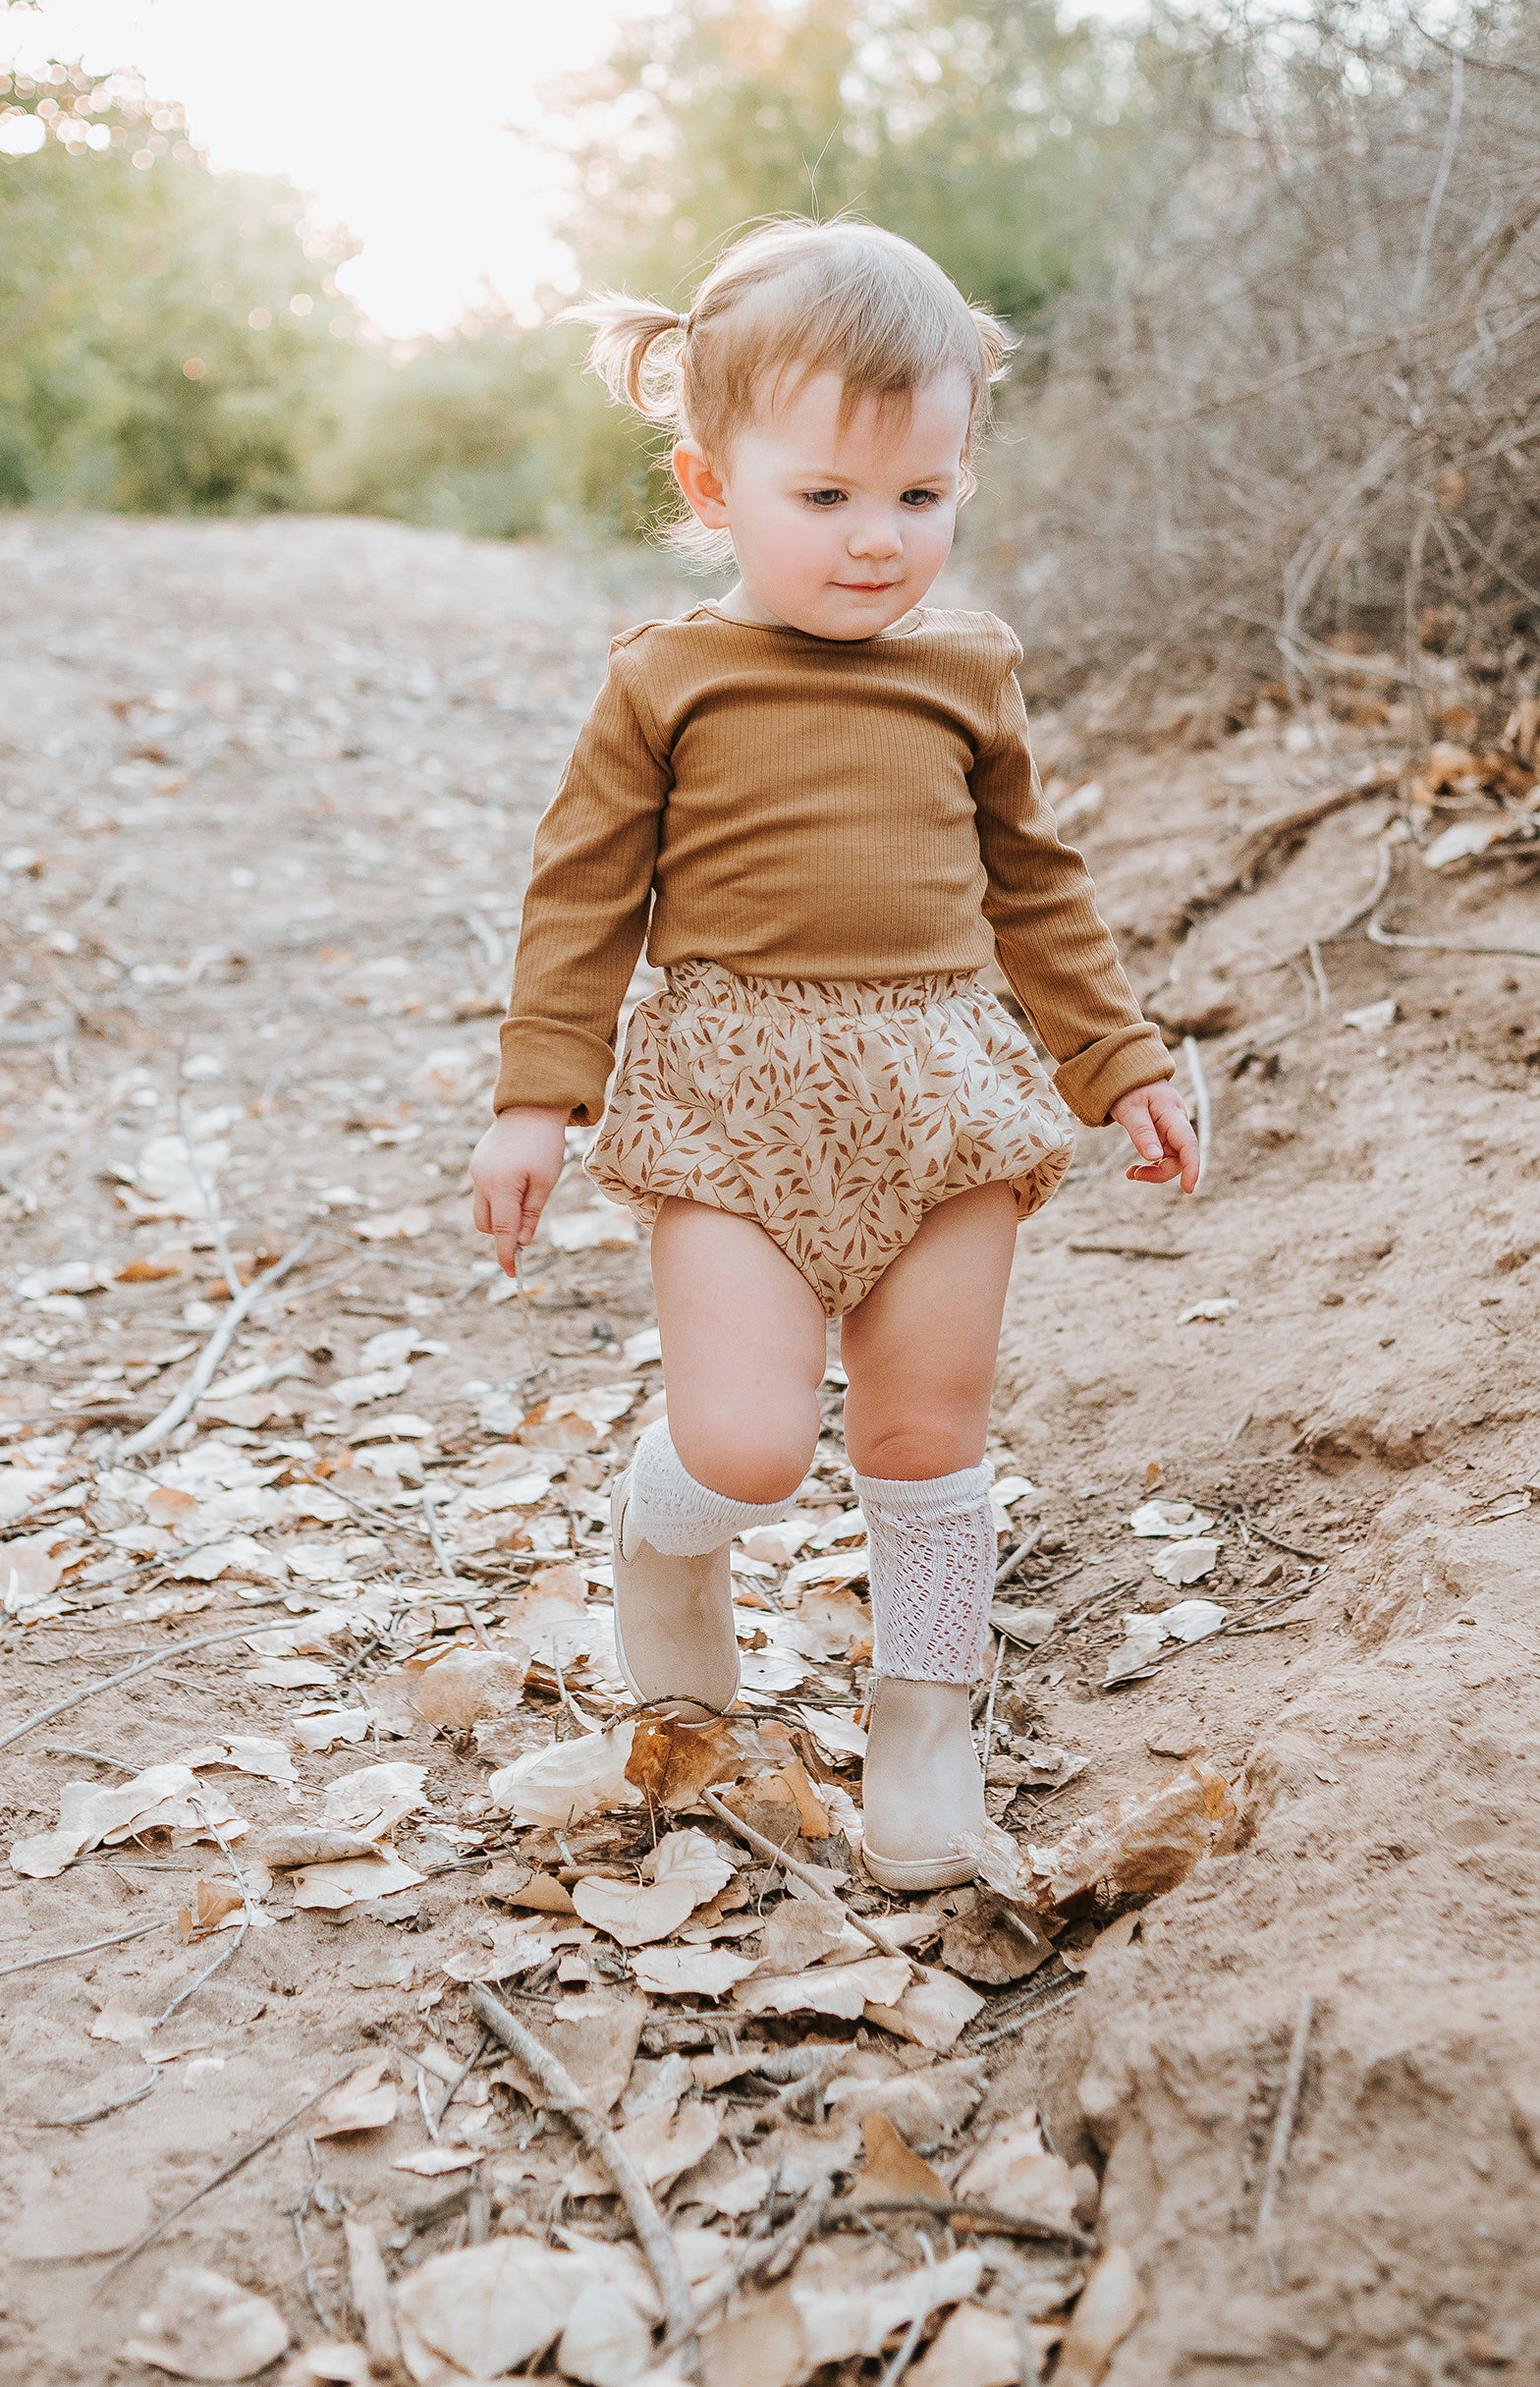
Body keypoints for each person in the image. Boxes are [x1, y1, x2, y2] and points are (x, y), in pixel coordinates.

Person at [469, 219, 1199, 1889]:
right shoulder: (671, 679)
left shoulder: (969, 669)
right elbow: (581, 894)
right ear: (713, 484)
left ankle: (926, 1714)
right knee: (750, 1443)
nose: (880, 544)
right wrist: (534, 1096)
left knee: (925, 1437)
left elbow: (1037, 885)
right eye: (828, 499)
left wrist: (1123, 1062)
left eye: (921, 499)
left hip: (945, 1088)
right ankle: (665, 1544)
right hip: (731, 1093)